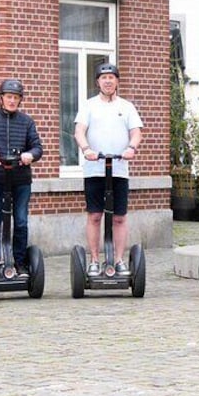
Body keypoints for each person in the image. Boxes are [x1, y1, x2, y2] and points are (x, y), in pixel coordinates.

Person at [74, 62, 143, 276]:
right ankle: (94, 260)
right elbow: (79, 131)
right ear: (97, 82)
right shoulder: (89, 105)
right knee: (95, 215)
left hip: (119, 169)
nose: (107, 81)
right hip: (95, 169)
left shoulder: (127, 106)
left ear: (117, 81)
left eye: (111, 77)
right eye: (103, 78)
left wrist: (131, 147)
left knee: (119, 217)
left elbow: (136, 132)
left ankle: (119, 260)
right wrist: (86, 149)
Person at [0, 79, 43, 279]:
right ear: (1, 98)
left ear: (20, 100)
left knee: (20, 221)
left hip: (21, 179)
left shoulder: (27, 122)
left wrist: (31, 154)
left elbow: (37, 147)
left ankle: (20, 264)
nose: (12, 101)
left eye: (16, 98)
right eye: (9, 97)